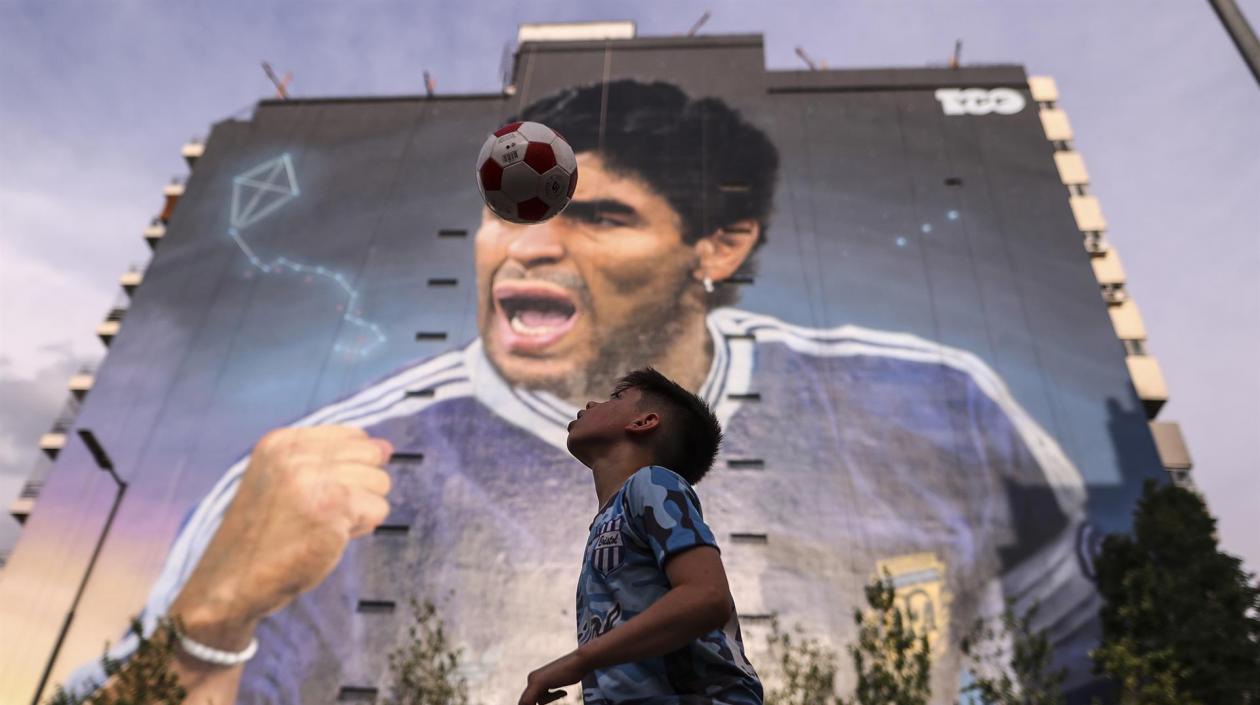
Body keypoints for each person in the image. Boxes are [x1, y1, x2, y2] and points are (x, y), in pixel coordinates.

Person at [63, 80, 1096, 704]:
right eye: (509, 213)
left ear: (718, 245)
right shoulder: (305, 478)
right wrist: (206, 626)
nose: (530, 245)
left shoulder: (936, 404)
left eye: (598, 215)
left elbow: (1102, 659)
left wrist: (569, 666)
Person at [516, 368, 762, 705]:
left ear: (644, 422)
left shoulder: (653, 482)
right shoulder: (607, 521)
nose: (590, 403)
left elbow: (707, 596)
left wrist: (579, 661)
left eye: (616, 398)